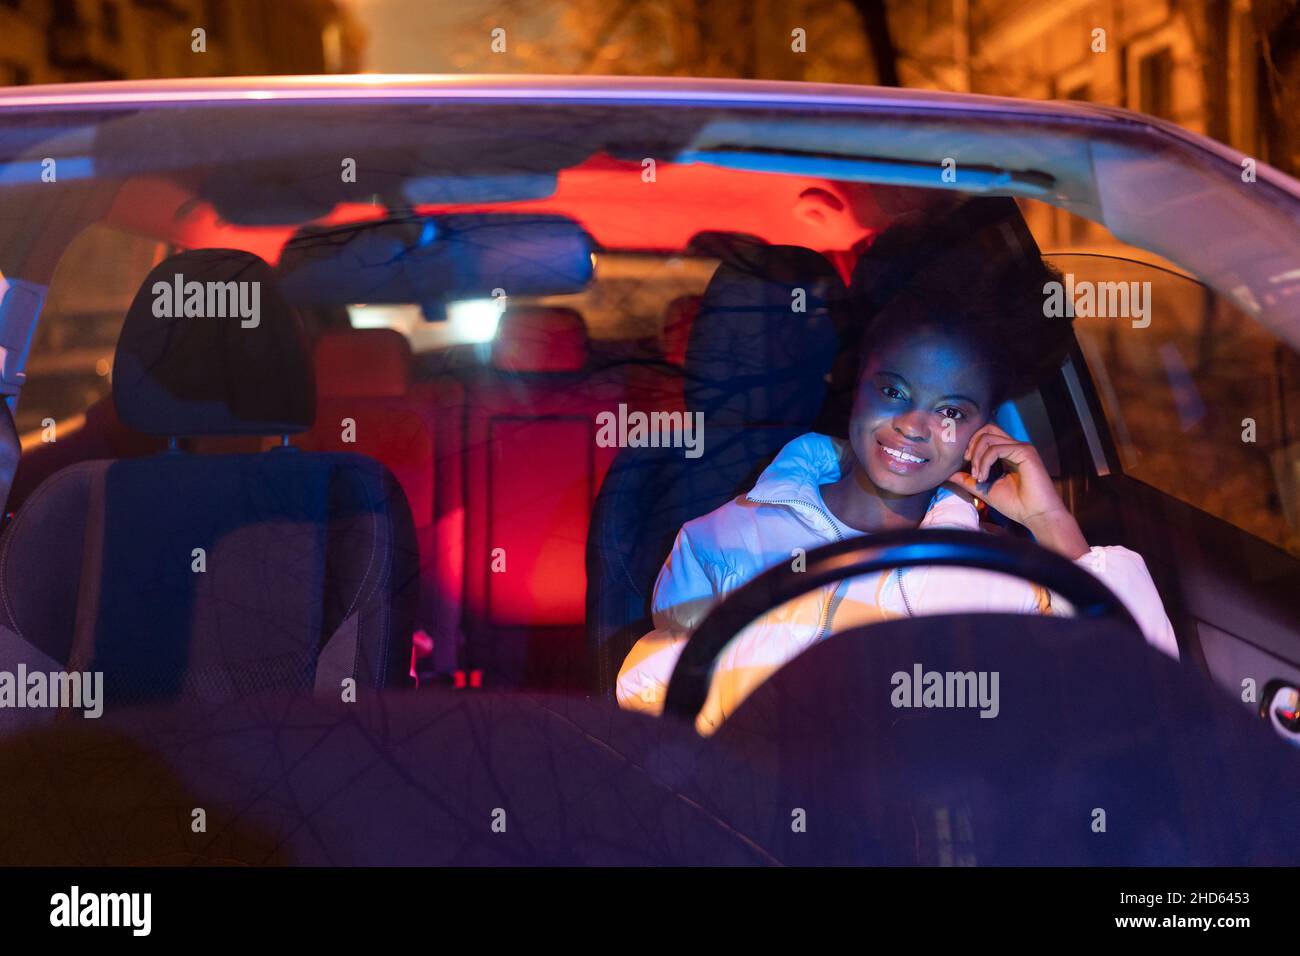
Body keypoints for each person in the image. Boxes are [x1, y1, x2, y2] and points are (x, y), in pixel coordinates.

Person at [615, 211, 1179, 734]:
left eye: (951, 411)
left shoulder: (1000, 574)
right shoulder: (721, 538)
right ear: (856, 380)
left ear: (984, 427)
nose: (914, 425)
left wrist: (1049, 521)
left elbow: (1141, 697)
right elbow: (652, 712)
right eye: (893, 390)